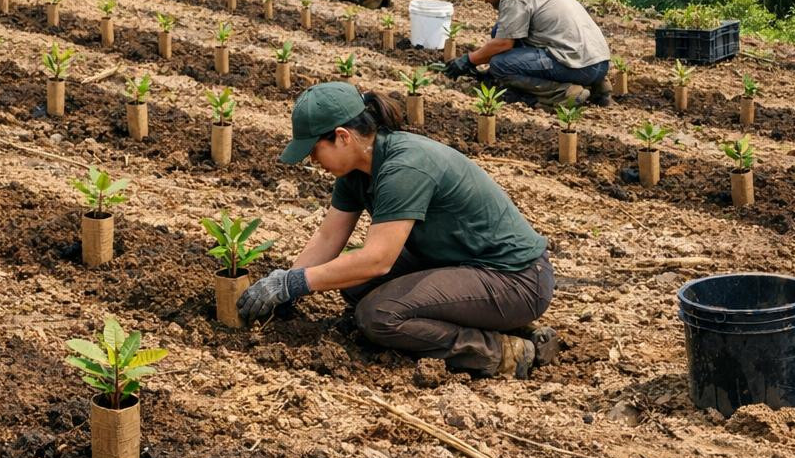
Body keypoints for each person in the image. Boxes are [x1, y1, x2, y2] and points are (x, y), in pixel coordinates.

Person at [237, 82, 559, 379]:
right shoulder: (356, 172)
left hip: (517, 279)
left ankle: (504, 352)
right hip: (461, 262)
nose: (312, 159)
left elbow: (378, 260)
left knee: (378, 315)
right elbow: (328, 238)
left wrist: (293, 284)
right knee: (354, 285)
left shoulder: (404, 167)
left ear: (342, 136)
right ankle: (499, 325)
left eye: (313, 150)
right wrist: (286, 288)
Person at [444, 0, 611, 107]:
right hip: (599, 61)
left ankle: (564, 93)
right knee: (499, 31)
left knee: (500, 65)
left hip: (578, 65)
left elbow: (504, 44)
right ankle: (598, 85)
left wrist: (469, 60)